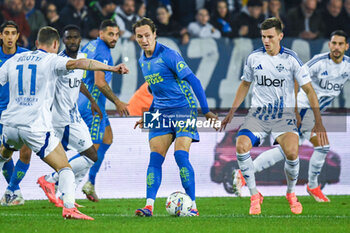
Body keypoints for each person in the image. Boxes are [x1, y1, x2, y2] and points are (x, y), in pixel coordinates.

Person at [0, 26, 127, 220]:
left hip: (10, 124)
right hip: (34, 126)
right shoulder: (52, 59)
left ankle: (12, 191)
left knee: (5, 153)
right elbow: (82, 64)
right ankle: (68, 207)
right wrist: (111, 68)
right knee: (65, 169)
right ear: (55, 44)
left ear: (36, 43)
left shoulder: (15, 59)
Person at [220, 17, 328, 215]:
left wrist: (318, 122)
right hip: (258, 115)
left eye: (270, 37)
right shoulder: (254, 58)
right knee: (241, 145)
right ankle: (254, 196)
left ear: (280, 36)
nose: (266, 41)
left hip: (283, 116)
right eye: (263, 37)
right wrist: (231, 112)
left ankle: (291, 193)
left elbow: (310, 91)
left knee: (292, 154)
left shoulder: (292, 59)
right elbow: (245, 84)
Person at [232, 30, 350, 203]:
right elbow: (295, 77)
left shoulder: (347, 65)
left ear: (346, 46)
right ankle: (312, 186)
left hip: (313, 110)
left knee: (286, 151)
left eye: (340, 44)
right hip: (303, 108)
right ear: (329, 44)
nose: (336, 47)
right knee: (322, 146)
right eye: (334, 43)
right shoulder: (319, 61)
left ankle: (243, 173)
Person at [132, 17, 218, 217]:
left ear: (155, 35)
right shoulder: (142, 60)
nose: (144, 40)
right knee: (154, 160)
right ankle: (149, 206)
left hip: (184, 109)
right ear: (135, 38)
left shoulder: (169, 55)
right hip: (160, 113)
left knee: (180, 155)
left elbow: (194, 80)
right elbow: (156, 91)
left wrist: (205, 111)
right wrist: (149, 116)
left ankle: (193, 206)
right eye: (139, 36)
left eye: (147, 35)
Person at [35, 25, 114, 207]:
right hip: (61, 119)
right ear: (63, 40)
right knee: (90, 156)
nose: (72, 41)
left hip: (74, 116)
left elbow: (78, 82)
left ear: (80, 40)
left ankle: (64, 194)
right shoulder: (57, 61)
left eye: (75, 38)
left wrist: (92, 100)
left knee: (89, 157)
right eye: (69, 38)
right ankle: (50, 179)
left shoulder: (81, 58)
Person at [77, 19, 129, 202]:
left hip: (84, 100)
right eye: (110, 34)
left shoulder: (91, 45)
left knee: (107, 138)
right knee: (92, 149)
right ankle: (57, 181)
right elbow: (99, 82)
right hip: (92, 105)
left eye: (116, 34)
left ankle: (89, 183)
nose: (114, 38)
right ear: (101, 34)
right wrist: (117, 101)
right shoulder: (103, 50)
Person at [0, 21, 31, 206]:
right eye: (6, 33)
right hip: (2, 112)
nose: (10, 37)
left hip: (24, 111)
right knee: (6, 153)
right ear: (1, 36)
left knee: (26, 153)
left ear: (18, 36)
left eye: (13, 33)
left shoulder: (26, 56)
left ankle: (12, 191)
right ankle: (14, 191)